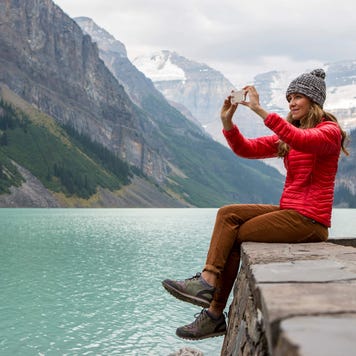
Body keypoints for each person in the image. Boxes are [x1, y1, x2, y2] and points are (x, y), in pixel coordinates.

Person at [162, 69, 349, 340]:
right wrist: (227, 123)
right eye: (289, 98)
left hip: (310, 221)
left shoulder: (328, 132)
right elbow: (246, 149)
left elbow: (302, 141)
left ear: (313, 100)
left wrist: (259, 110)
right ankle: (208, 281)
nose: (292, 103)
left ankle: (213, 312)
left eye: (298, 97)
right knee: (228, 214)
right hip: (291, 212)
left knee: (237, 235)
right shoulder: (290, 134)